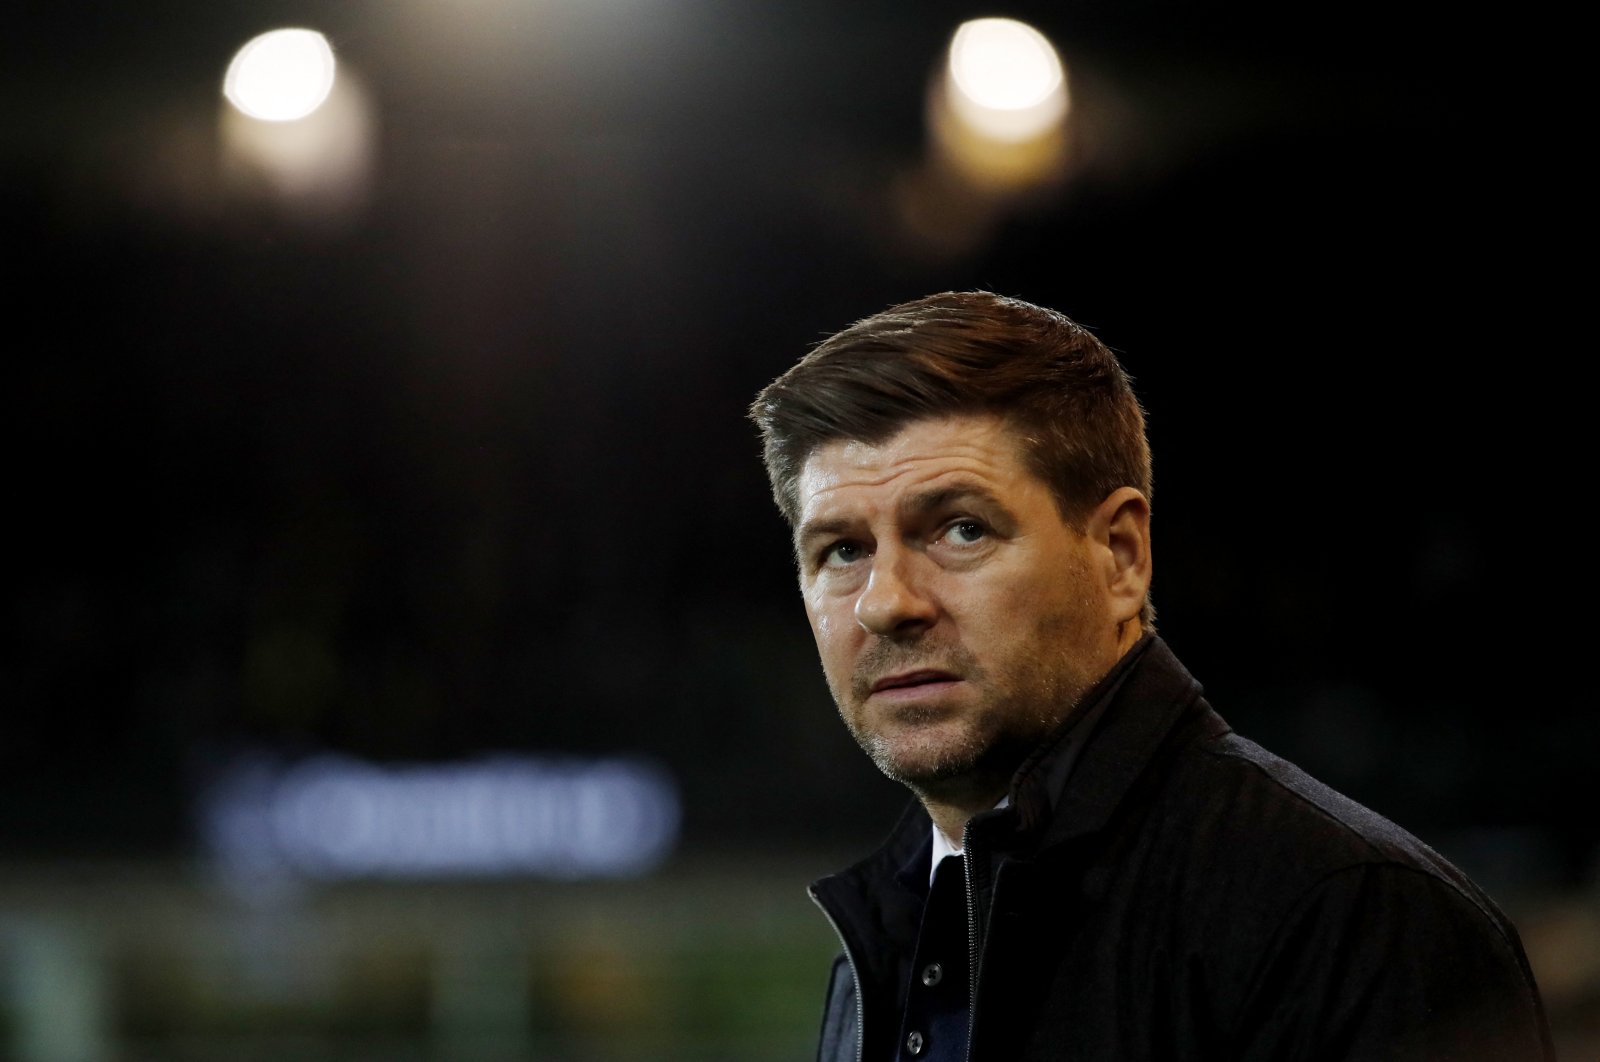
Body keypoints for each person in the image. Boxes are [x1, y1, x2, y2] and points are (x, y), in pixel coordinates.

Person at [748, 291, 1553, 1061]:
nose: (887, 603)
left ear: (1121, 556)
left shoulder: (1355, 916)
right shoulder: (895, 933)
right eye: (843, 551)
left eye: (962, 529)